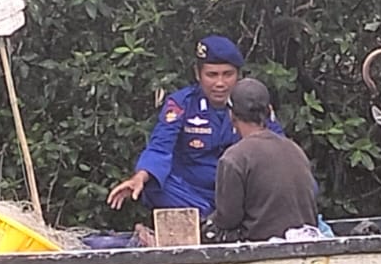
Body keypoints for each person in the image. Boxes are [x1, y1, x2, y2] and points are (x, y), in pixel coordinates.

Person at [106, 35, 284, 216]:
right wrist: (140, 177)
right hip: (192, 195)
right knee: (153, 184)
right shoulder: (181, 103)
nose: (220, 83)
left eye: (228, 74)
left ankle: (223, 219)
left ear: (239, 75)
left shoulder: (253, 103)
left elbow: (278, 148)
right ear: (198, 74)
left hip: (239, 192)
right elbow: (160, 148)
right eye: (212, 75)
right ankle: (209, 221)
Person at [207, 79, 319, 242]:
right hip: (305, 240)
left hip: (260, 243)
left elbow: (228, 219)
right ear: (269, 111)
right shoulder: (295, 149)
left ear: (231, 114)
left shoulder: (234, 158)